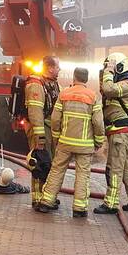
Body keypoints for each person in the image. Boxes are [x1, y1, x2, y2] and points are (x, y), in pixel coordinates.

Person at [36, 67, 105, 218]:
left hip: (65, 142)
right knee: (83, 175)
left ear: (74, 78)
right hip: (85, 145)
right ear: (86, 79)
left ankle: (46, 202)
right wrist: (99, 141)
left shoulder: (64, 94)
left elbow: (55, 119)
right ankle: (79, 209)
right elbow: (98, 123)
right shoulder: (93, 97)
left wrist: (56, 137)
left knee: (56, 171)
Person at [94, 52, 128, 215]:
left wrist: (108, 72)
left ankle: (111, 203)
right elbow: (105, 92)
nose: (108, 70)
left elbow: (109, 90)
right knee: (126, 167)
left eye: (111, 67)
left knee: (114, 168)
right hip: (118, 133)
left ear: (119, 67)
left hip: (120, 133)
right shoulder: (122, 84)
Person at [24, 55, 62, 210]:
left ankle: (46, 196)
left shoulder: (51, 83)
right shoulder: (36, 84)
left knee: (49, 163)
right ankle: (38, 199)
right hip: (40, 130)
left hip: (49, 129)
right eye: (58, 67)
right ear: (50, 67)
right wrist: (40, 138)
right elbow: (35, 112)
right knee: (39, 163)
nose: (60, 69)